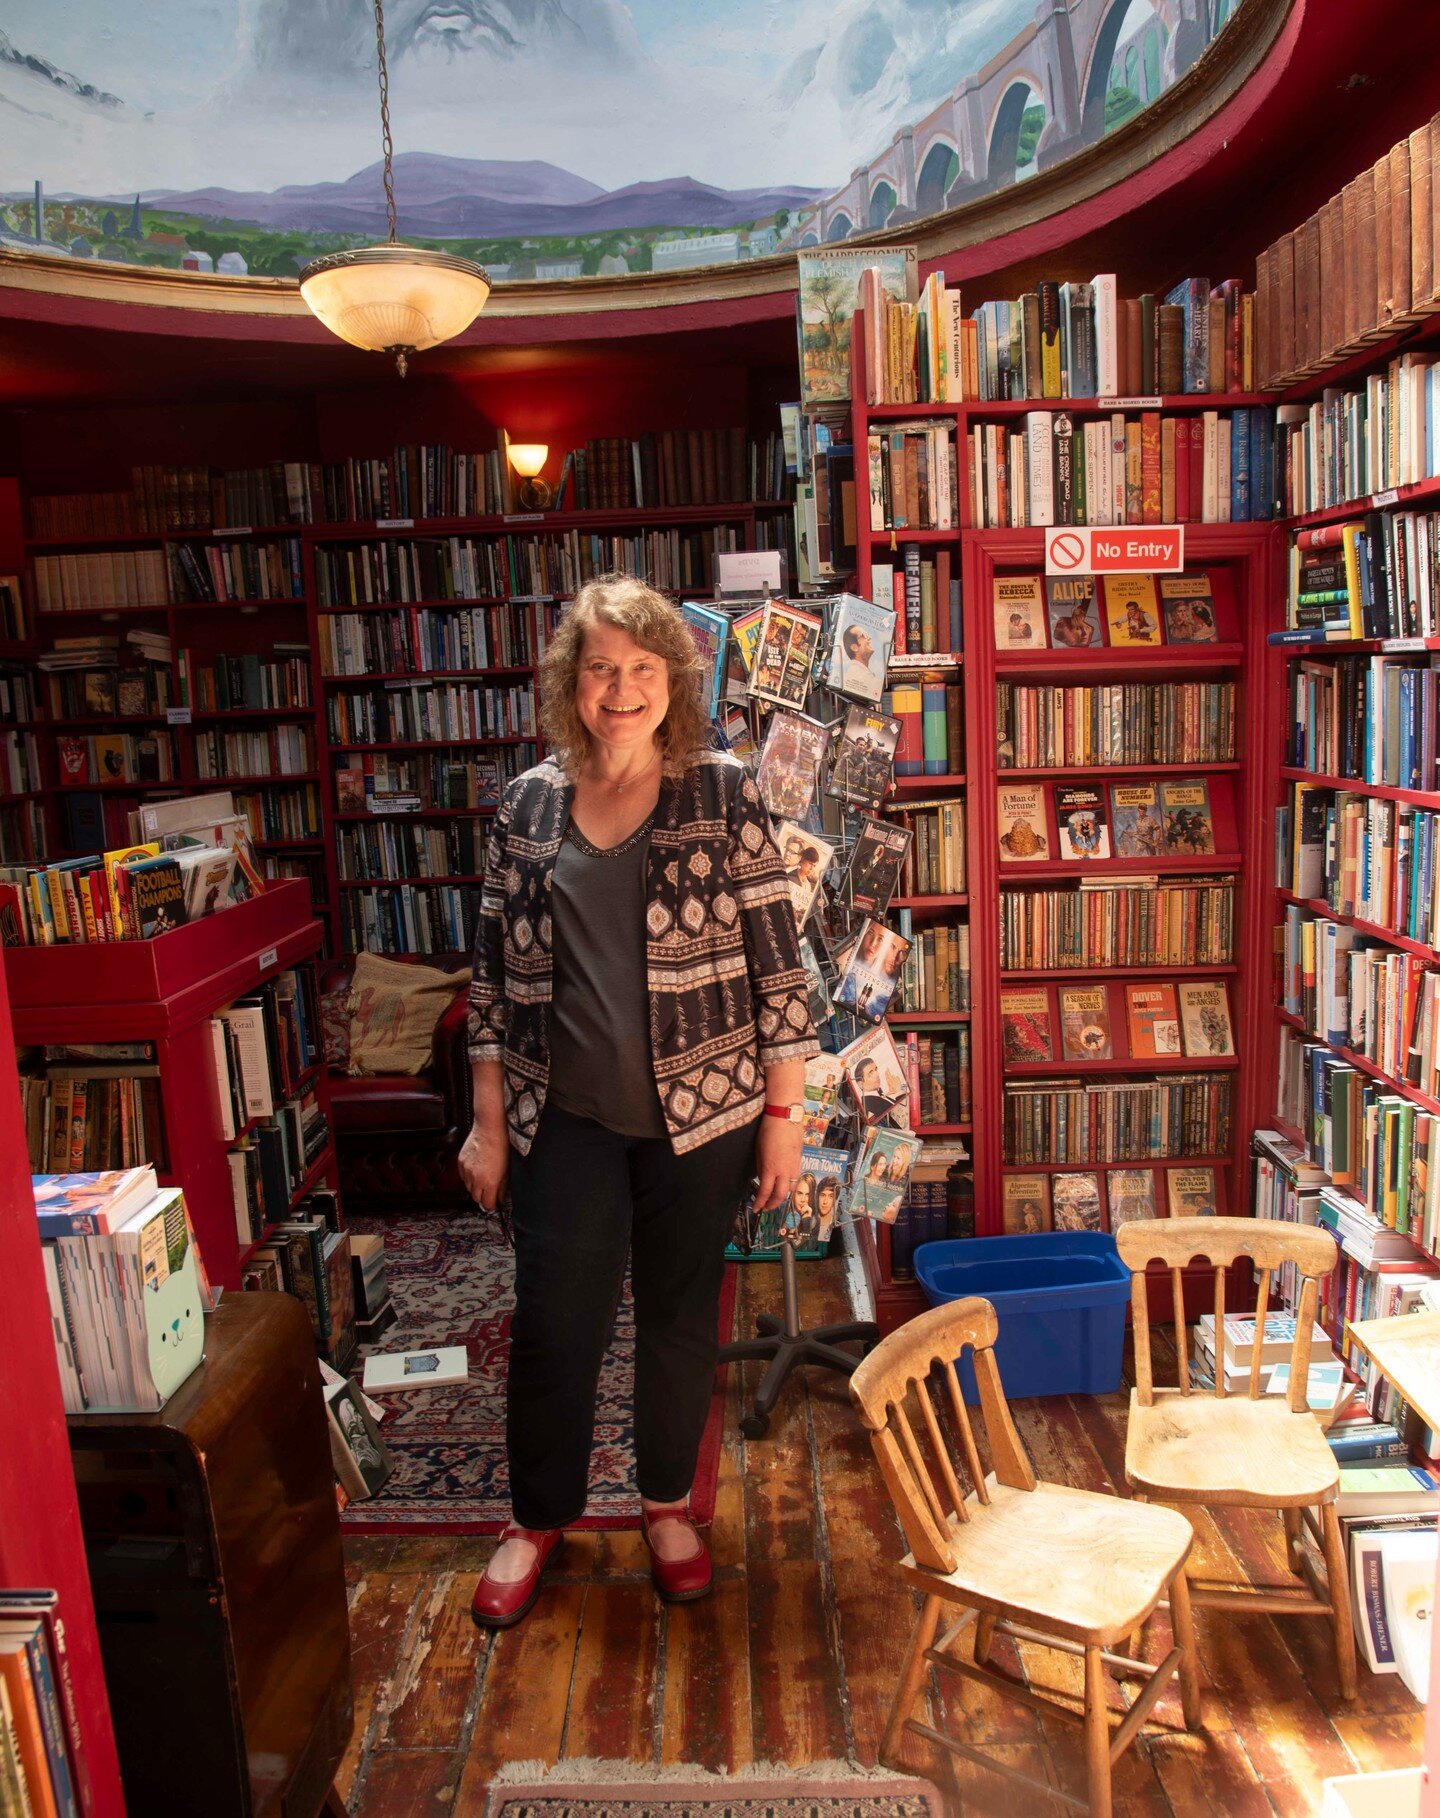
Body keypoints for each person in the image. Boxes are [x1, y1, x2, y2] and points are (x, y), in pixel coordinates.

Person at [461, 573, 817, 1628]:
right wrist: (486, 1124)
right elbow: (489, 978)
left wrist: (783, 1120)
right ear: (574, 683)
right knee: (554, 1326)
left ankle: (666, 1505)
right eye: (602, 668)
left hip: (703, 1118)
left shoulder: (722, 792)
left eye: (642, 670)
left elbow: (779, 970)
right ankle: (536, 1517)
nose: (621, 690)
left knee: (674, 1324)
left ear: (674, 682)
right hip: (559, 1118)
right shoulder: (525, 805)